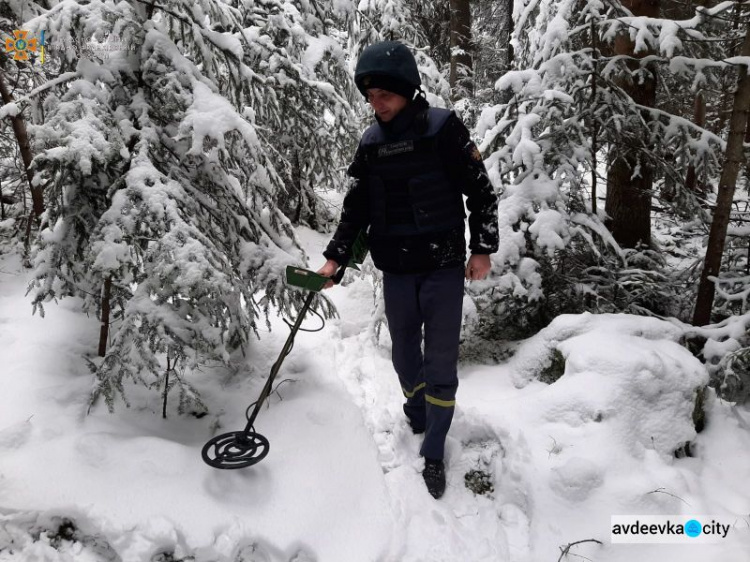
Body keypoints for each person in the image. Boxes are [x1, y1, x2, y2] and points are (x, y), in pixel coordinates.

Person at [318, 41, 499, 499]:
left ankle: (434, 446)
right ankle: (419, 412)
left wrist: (482, 249)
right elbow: (356, 208)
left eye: (385, 95)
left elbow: (480, 193)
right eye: (370, 96)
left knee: (440, 361)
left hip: (441, 265)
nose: (376, 105)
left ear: (407, 91)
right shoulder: (371, 144)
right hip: (396, 268)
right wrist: (336, 256)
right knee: (404, 357)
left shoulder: (442, 129)